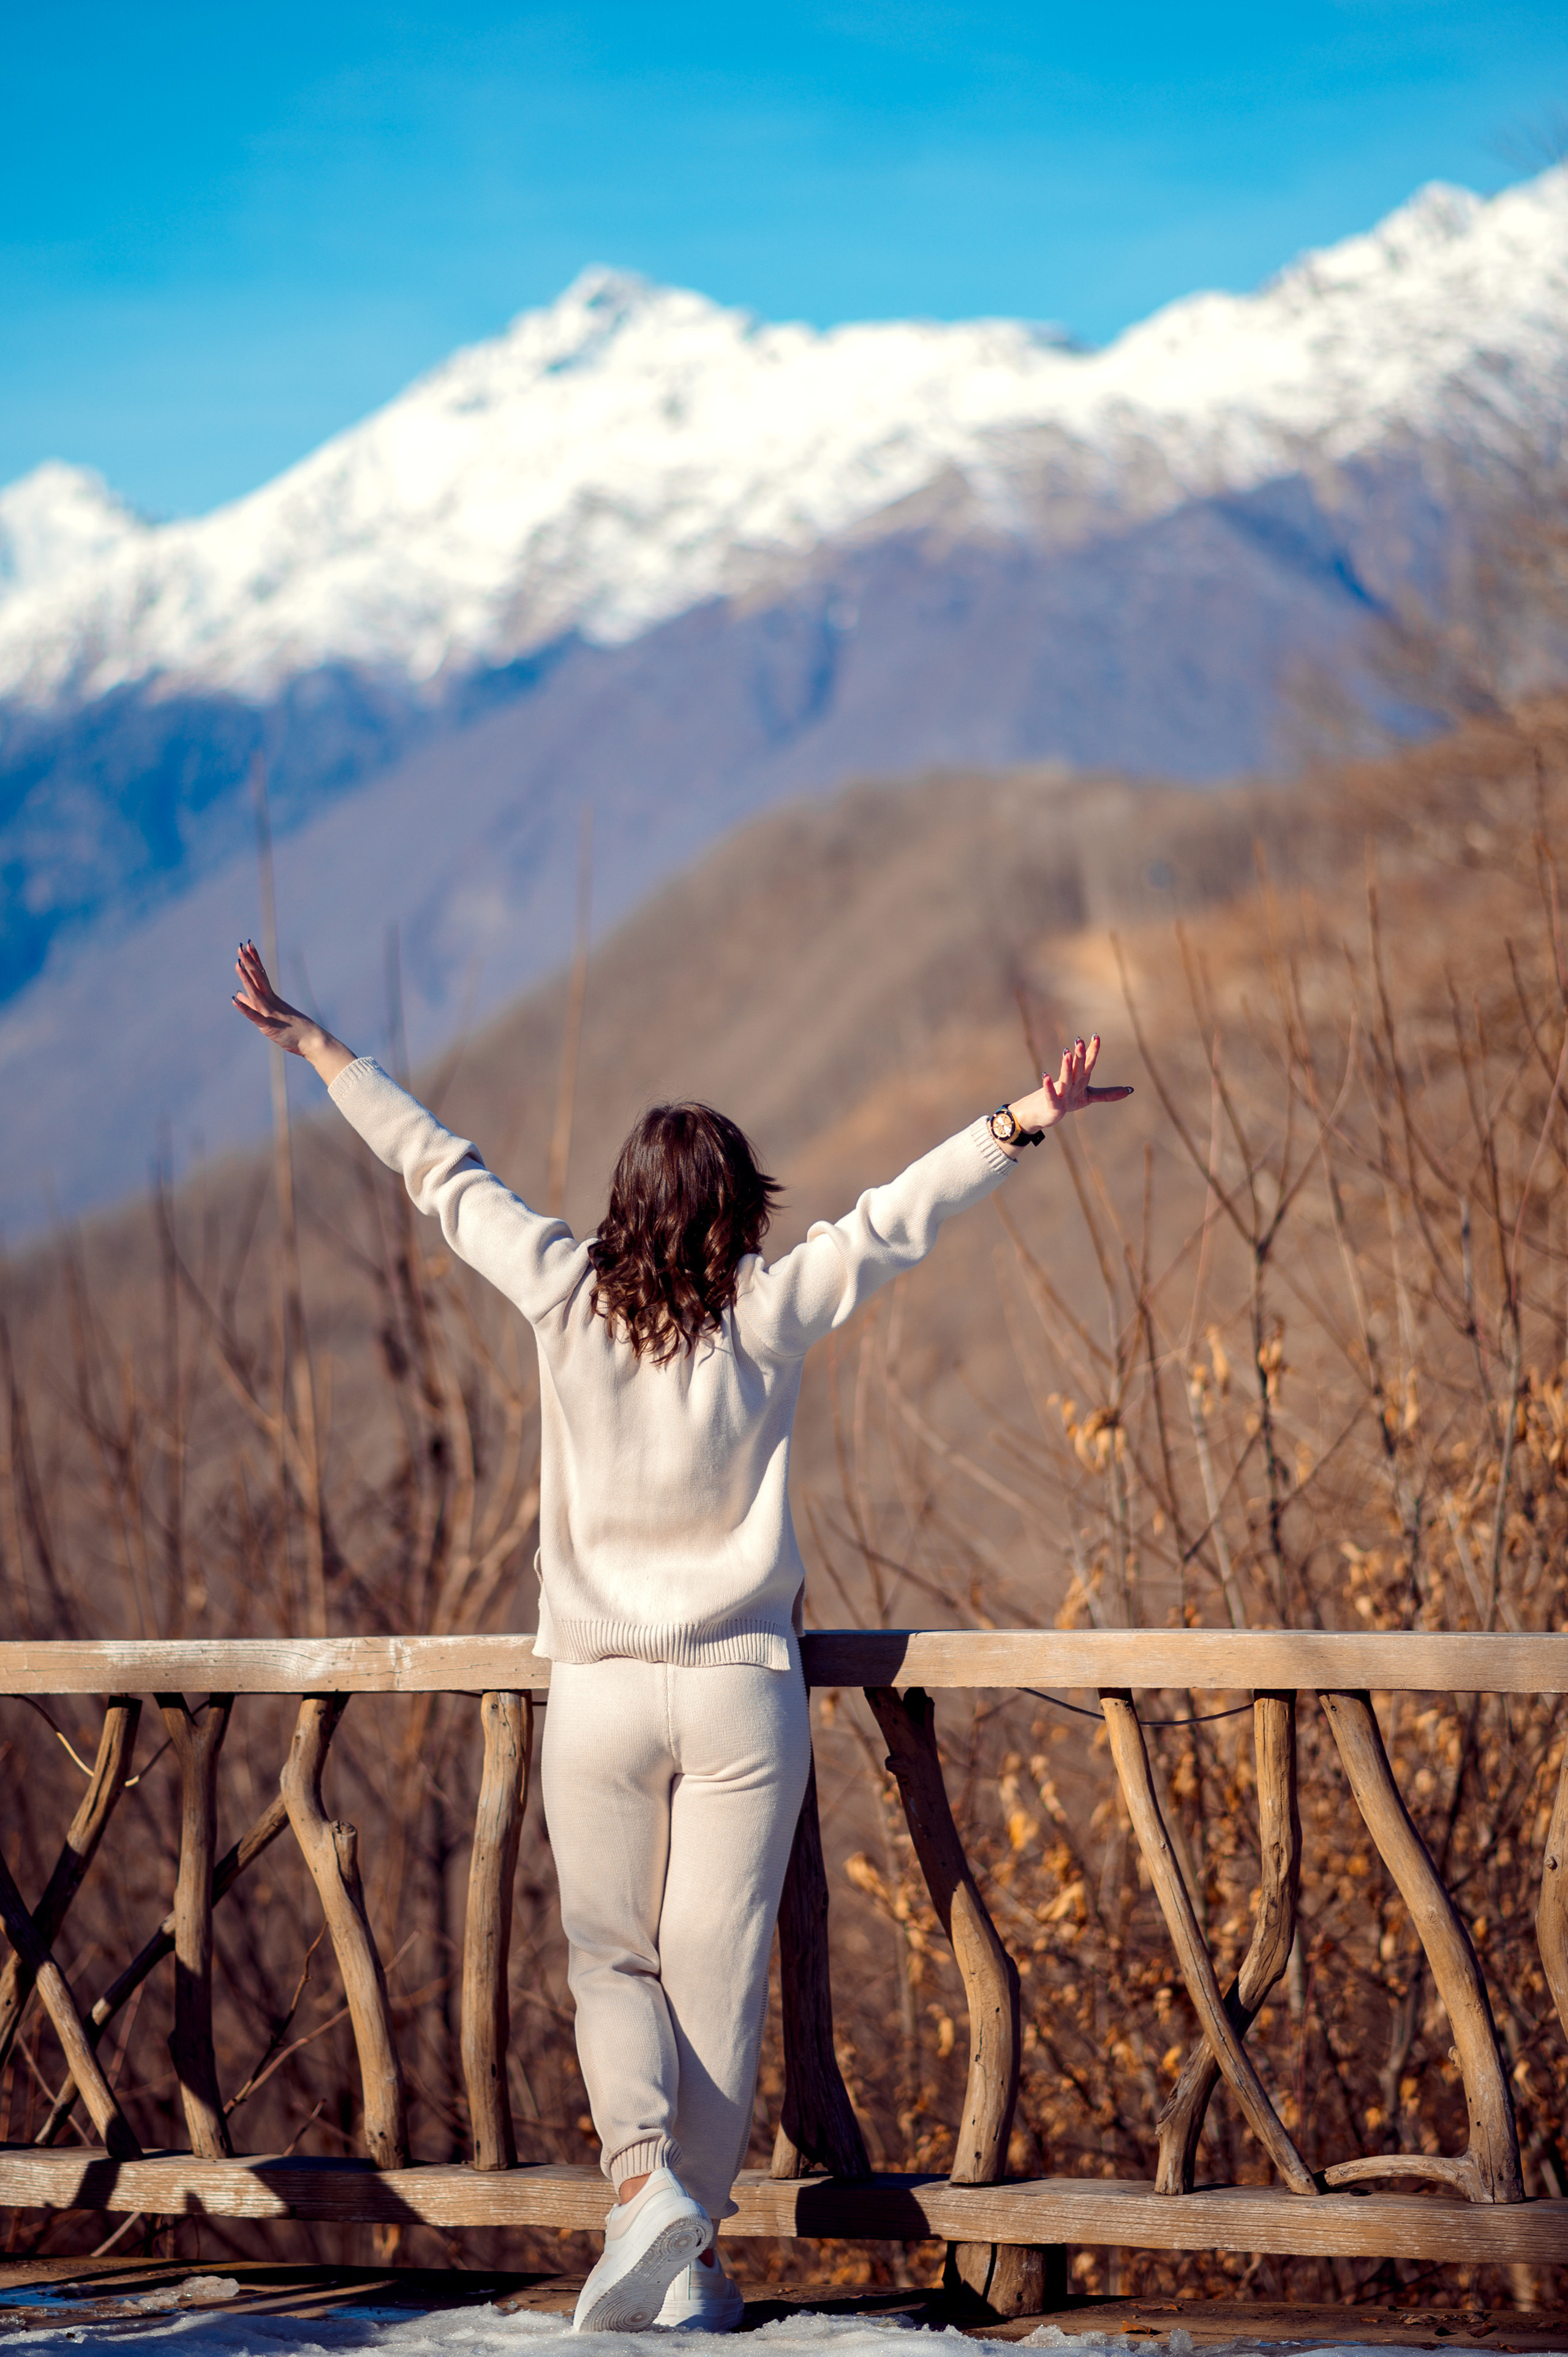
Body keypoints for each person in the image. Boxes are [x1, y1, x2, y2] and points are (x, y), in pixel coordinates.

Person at [231, 940, 1132, 2332]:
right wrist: (1023, 1118)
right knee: (716, 1970)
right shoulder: (763, 1323)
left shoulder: (560, 1297)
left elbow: (441, 1170)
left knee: (615, 1963)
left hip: (595, 1693)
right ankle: (686, 2250)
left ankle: (644, 2193)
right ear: (735, 1213)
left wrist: (319, 1051)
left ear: (625, 1210)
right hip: (737, 1697)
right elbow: (894, 1220)